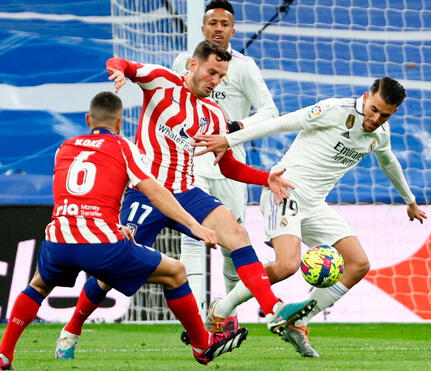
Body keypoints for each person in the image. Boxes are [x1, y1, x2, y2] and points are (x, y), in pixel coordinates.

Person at [54, 41, 316, 360]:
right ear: (193, 65)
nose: (216, 80)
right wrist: (119, 72)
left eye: (221, 76)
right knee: (108, 273)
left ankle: (273, 308)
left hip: (187, 192)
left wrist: (266, 177)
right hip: (147, 192)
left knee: (237, 235)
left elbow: (228, 165)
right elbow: (121, 61)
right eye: (211, 72)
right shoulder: (161, 81)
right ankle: (72, 330)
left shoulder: (213, 114)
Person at [0, 92, 249, 369]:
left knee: (37, 285)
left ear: (87, 119)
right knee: (176, 272)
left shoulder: (64, 148)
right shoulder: (122, 146)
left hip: (58, 239)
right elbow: (155, 192)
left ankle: (4, 354)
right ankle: (203, 346)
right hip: (100, 246)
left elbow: (74, 195)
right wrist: (194, 225)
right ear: (120, 122)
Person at [193, 76, 426, 357]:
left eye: (384, 115)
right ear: (366, 96)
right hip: (286, 190)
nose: (375, 118)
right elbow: (281, 123)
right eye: (374, 109)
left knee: (358, 264)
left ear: (394, 112)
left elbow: (389, 162)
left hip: (315, 204)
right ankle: (221, 310)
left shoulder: (380, 134)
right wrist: (228, 140)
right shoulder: (334, 110)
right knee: (287, 264)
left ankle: (299, 322)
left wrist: (409, 201)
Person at [170, 0, 279, 330]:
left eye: (224, 23)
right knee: (192, 238)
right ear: (203, 29)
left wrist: (231, 130)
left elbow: (269, 113)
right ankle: (195, 319)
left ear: (233, 30)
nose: (218, 28)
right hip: (189, 163)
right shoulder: (183, 62)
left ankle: (226, 315)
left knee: (234, 245)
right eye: (212, 22)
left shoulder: (244, 67)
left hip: (229, 164)